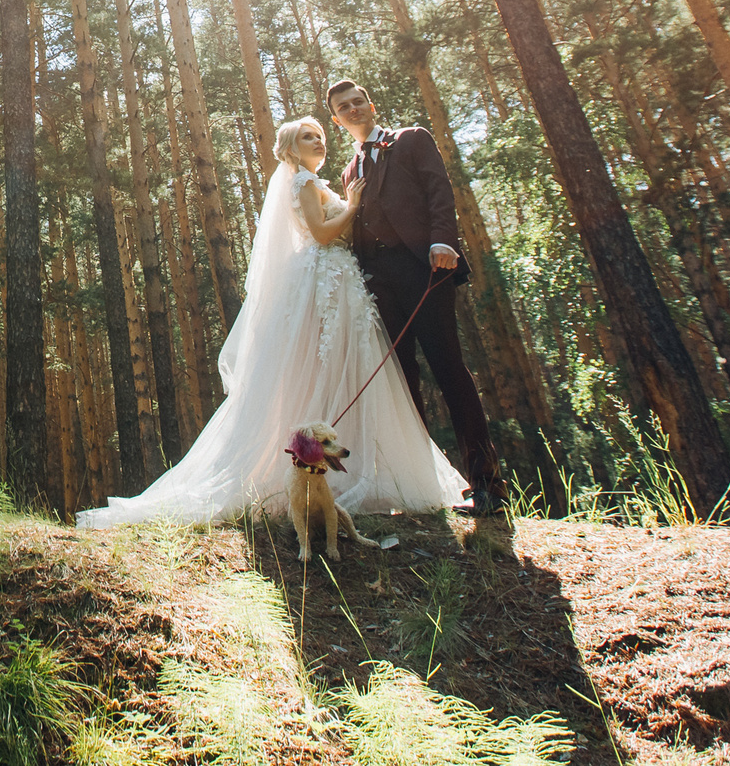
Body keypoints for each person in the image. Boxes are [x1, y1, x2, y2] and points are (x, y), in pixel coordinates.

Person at [78, 114, 469, 527]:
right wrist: (353, 206)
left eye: (320, 136)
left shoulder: (317, 182)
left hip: (340, 281)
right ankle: (329, 475)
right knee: (327, 366)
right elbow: (322, 234)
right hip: (324, 280)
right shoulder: (302, 182)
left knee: (345, 366)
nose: (317, 142)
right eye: (307, 137)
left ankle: (360, 473)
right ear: (290, 147)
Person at [329, 79, 508, 517]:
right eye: (344, 107)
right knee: (401, 382)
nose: (353, 109)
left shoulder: (410, 139)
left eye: (358, 102)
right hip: (378, 282)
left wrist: (443, 241)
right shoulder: (350, 172)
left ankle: (486, 486)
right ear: (337, 121)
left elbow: (438, 190)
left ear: (371, 105)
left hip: (423, 267)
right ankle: (420, 488)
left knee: (449, 369)